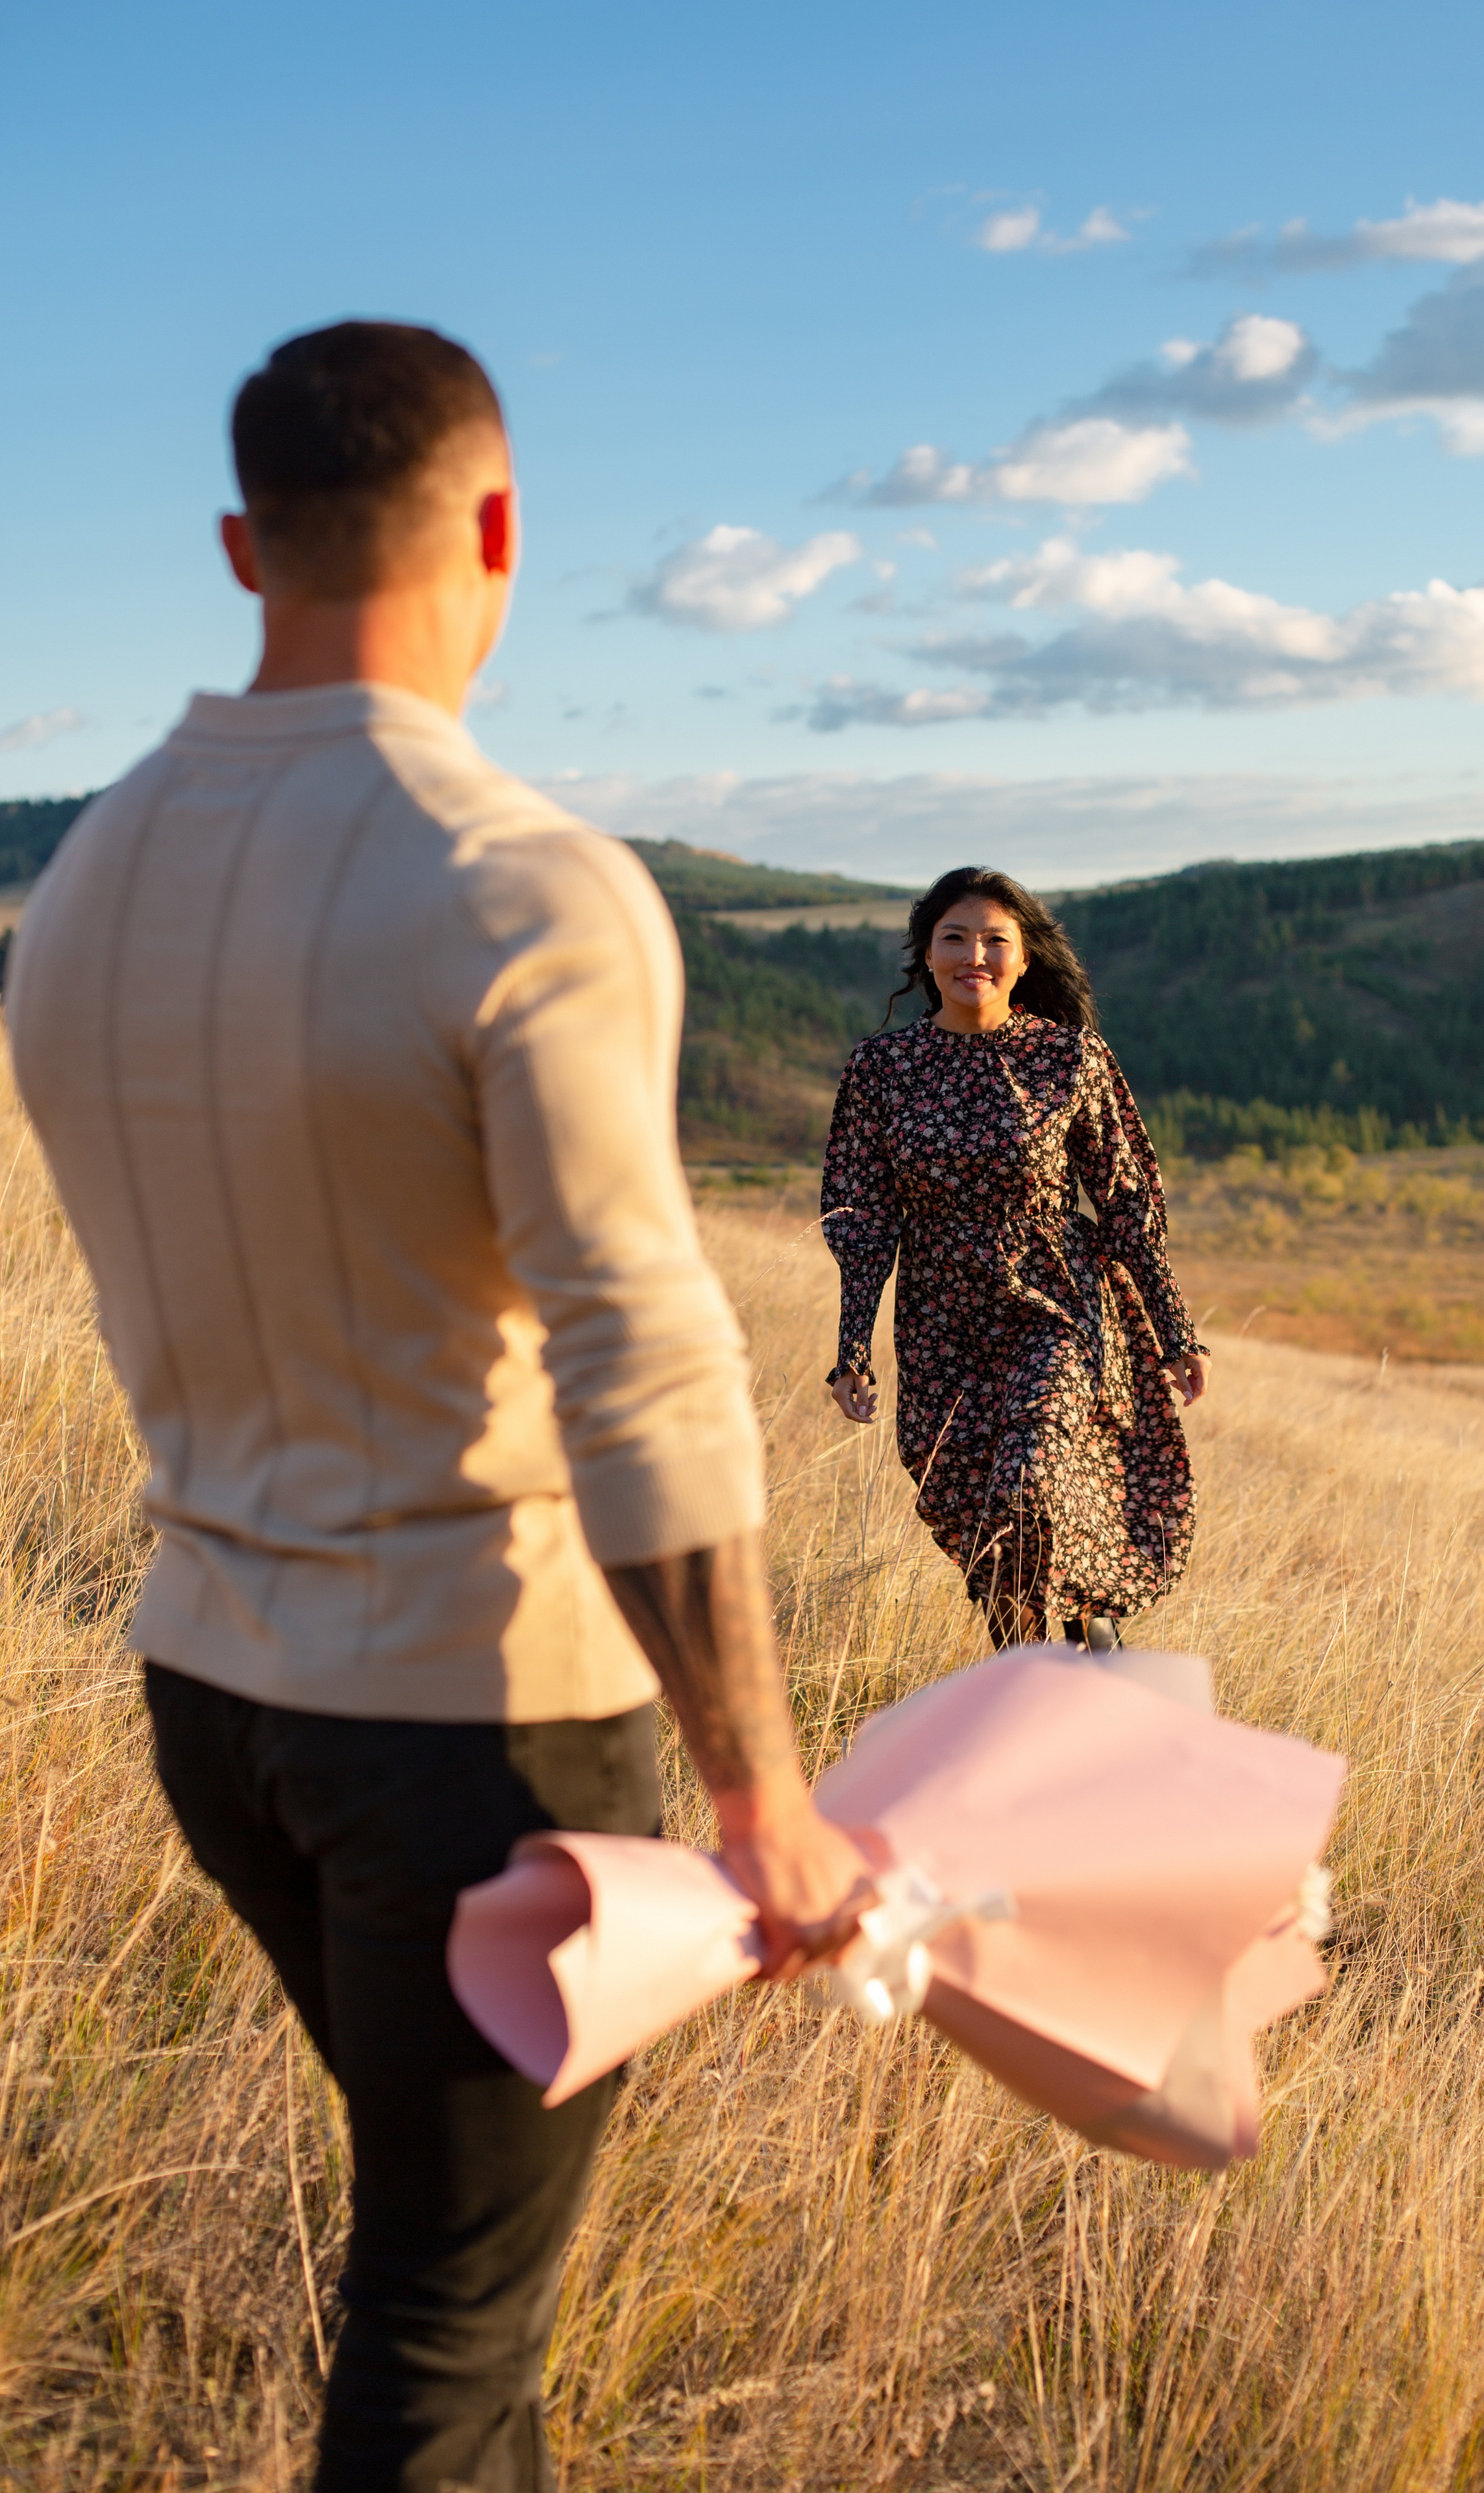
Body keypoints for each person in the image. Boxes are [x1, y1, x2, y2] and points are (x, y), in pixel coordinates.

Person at [6, 321, 869, 2493]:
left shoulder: (84, 881)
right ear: (497, 529)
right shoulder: (518, 878)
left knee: (448, 2279)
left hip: (210, 1697)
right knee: (446, 2333)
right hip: (475, 1725)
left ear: (236, 543)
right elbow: (641, 1354)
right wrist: (759, 1793)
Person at [821, 867, 1209, 1651]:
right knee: (985, 1536)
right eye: (954, 938)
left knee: (1029, 1488)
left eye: (996, 940)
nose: (975, 955)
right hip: (940, 1326)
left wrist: (1175, 1332)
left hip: (1056, 1308)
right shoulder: (881, 1070)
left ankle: (1078, 1660)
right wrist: (852, 1350)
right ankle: (1058, 1684)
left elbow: (1129, 1202)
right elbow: (863, 1220)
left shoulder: (1069, 1059)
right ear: (925, 956)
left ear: (1025, 959)